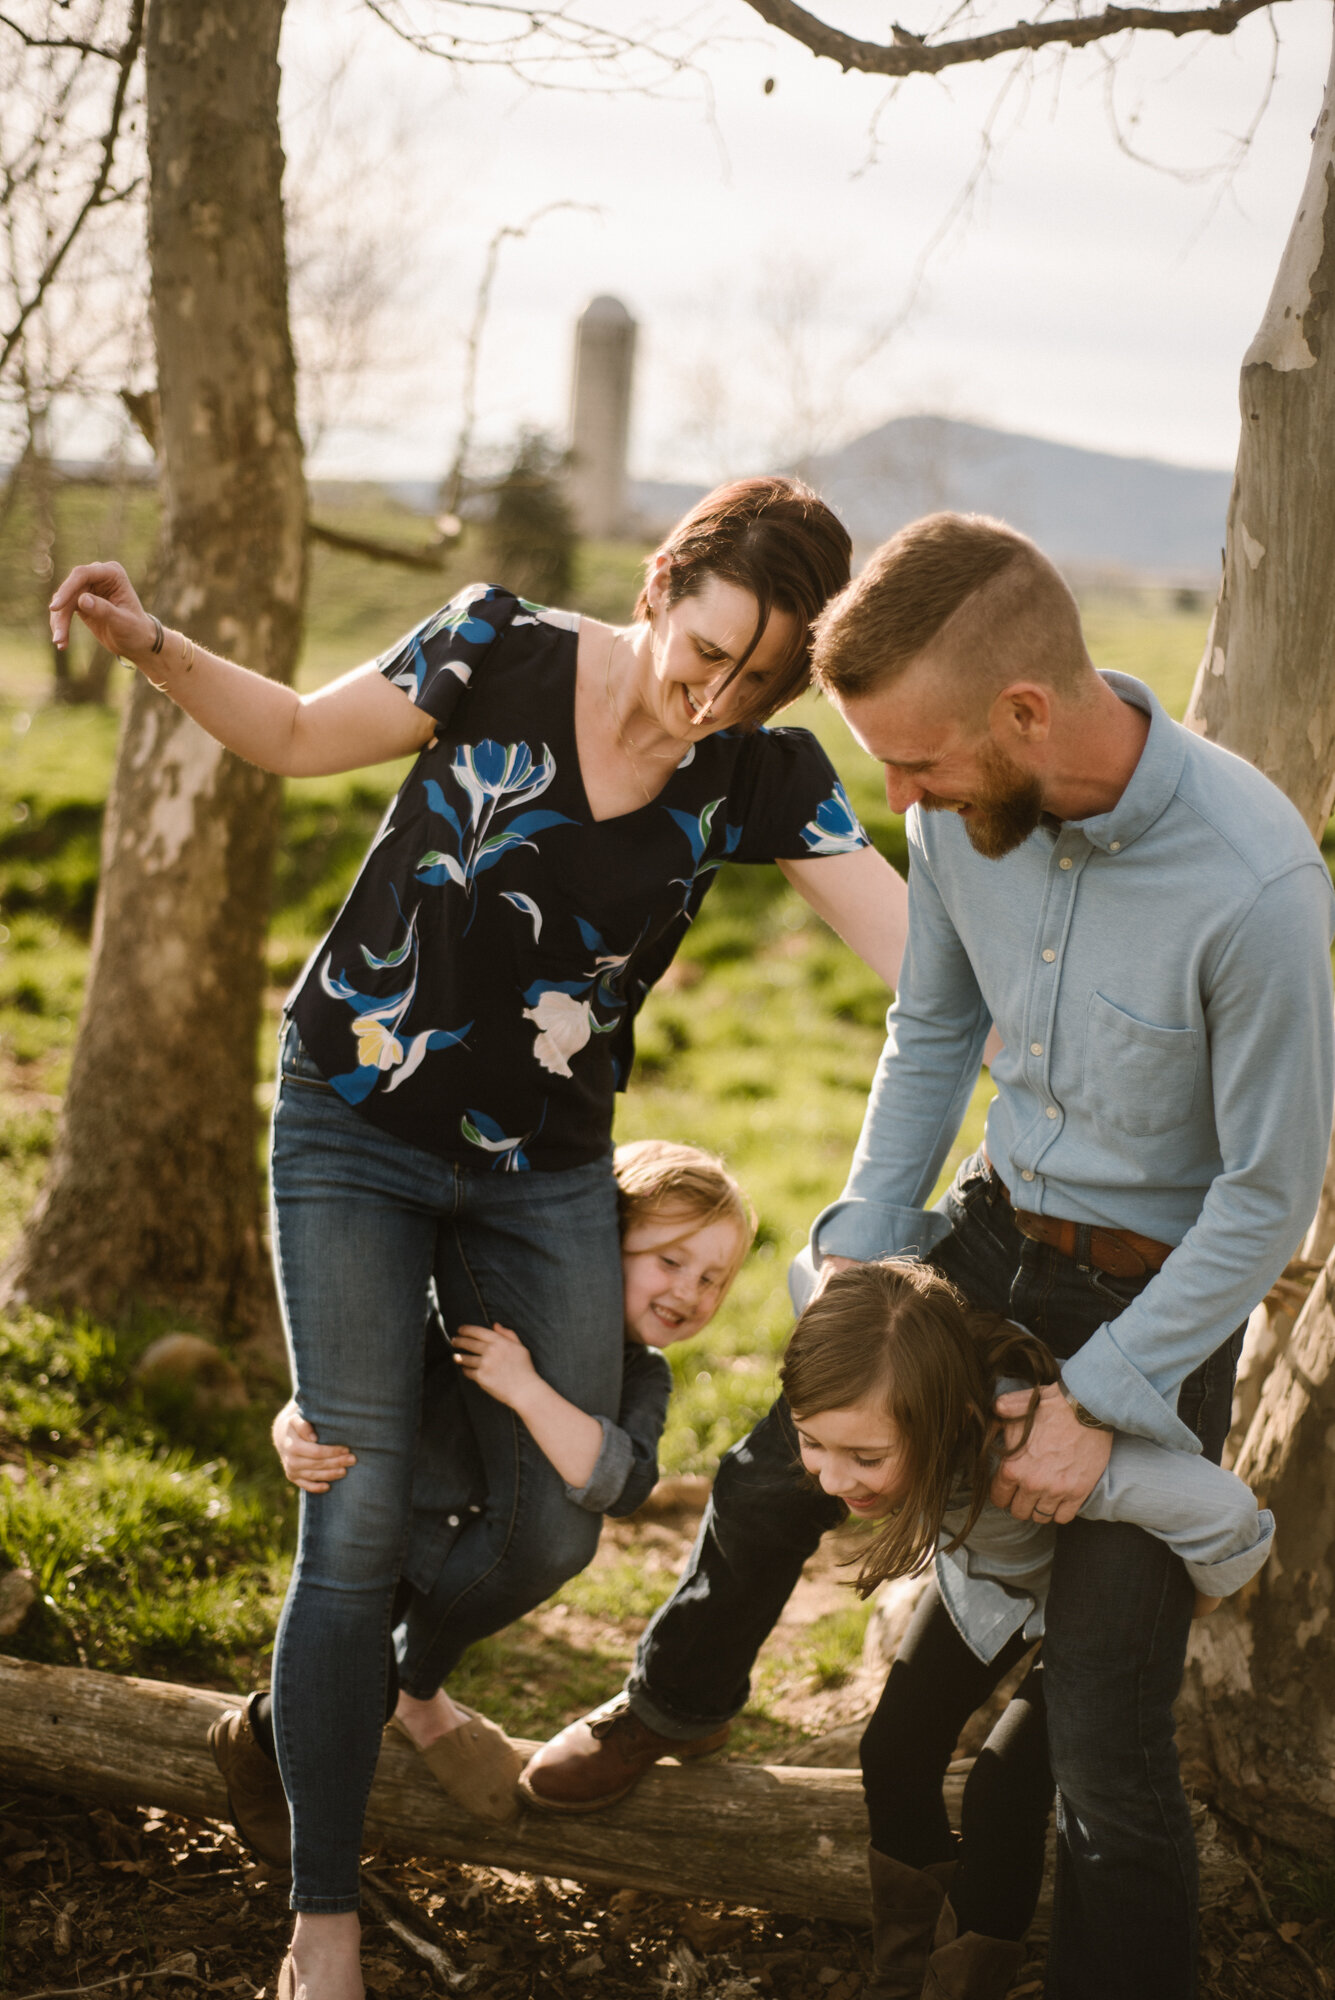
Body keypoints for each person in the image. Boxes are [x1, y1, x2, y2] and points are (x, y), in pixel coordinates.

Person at [49, 476, 909, 2000]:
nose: (707, 695)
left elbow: (915, 955)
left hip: (541, 1170)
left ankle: (394, 1685)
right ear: (656, 582)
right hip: (352, 1130)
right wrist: (153, 643)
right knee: (356, 1516)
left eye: (752, 679)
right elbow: (305, 736)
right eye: (698, 649)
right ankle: (323, 1914)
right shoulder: (492, 646)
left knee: (555, 1519)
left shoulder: (762, 775)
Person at [518, 511, 1335, 2000]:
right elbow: (930, 1033)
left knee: (1100, 1730)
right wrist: (860, 1251)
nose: (893, 800)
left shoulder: (1255, 889)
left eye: (912, 762)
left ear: (1024, 712)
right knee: (777, 1471)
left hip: (1160, 1297)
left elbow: (1265, 1197)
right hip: (985, 1229)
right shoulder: (960, 816)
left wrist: (1103, 1403)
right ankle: (676, 1699)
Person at [781, 1257, 1273, 2000]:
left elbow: (1229, 1514)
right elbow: (803, 1269)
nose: (832, 1479)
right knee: (892, 1750)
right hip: (992, 1586)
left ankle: (964, 1984)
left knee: (1002, 1791)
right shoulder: (859, 1363)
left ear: (943, 1418)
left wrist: (1190, 1603)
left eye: (866, 1457)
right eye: (811, 1442)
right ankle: (901, 1972)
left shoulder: (1020, 1449)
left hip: (1092, 1606)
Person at [242, 1138, 755, 1836]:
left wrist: (526, 1389)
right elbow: (359, 1364)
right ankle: (257, 1744)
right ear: (604, 1242)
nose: (687, 1292)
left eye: (712, 1280)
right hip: (390, 1529)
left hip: (476, 1555)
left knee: (385, 1674)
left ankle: (397, 1701)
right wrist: (292, 1422)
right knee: (349, 1678)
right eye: (669, 1261)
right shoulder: (479, 1305)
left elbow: (624, 1482)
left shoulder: (643, 1374)